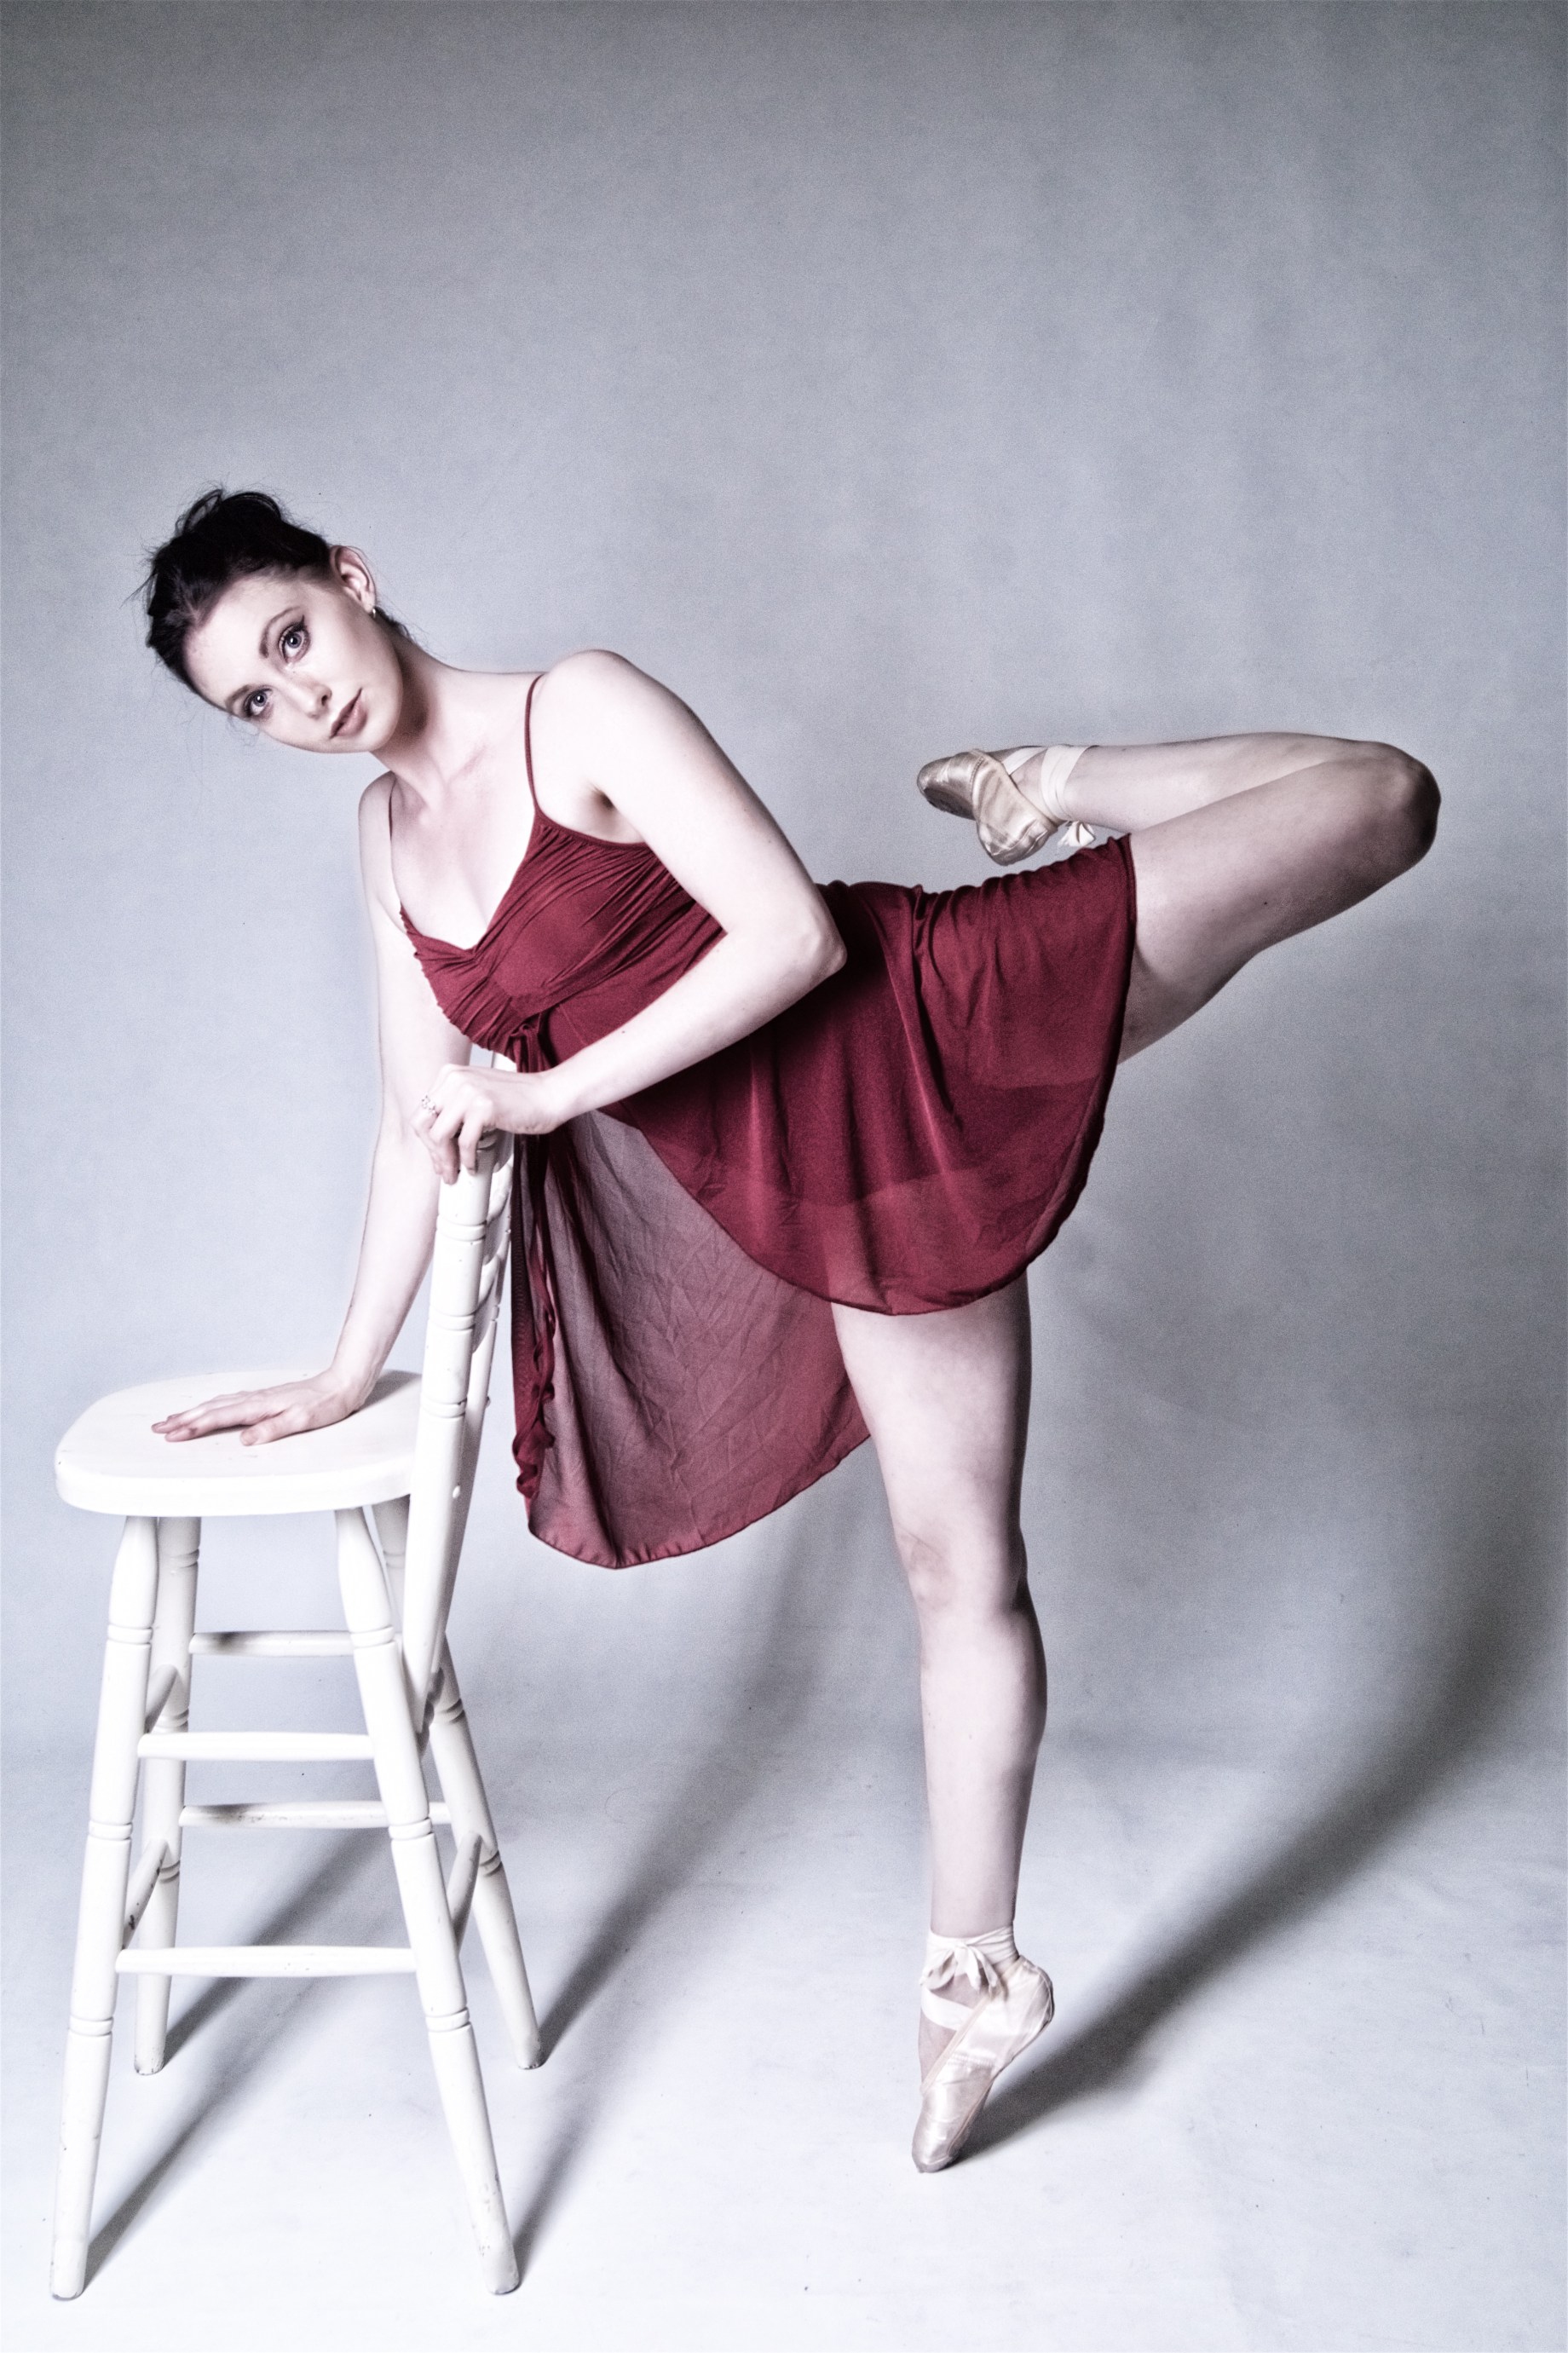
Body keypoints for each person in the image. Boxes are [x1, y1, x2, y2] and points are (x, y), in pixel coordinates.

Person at [142, 488, 1438, 2171]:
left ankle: (1058, 781)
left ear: (350, 579)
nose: (299, 695)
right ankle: (970, 1976)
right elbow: (414, 1124)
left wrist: (547, 1093)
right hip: (837, 1170)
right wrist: (341, 1367)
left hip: (915, 1008)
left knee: (1380, 800)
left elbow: (793, 937)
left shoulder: (576, 709)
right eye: (253, 698)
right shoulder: (385, 847)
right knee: (954, 1564)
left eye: (291, 637)